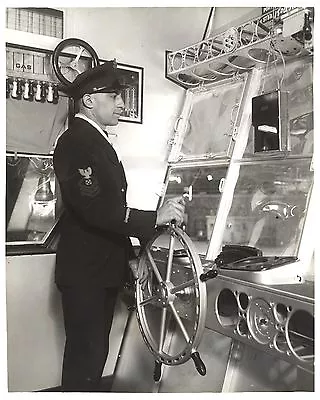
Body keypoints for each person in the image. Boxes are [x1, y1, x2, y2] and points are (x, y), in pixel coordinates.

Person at [53, 60, 185, 392]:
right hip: (86, 274)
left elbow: (110, 213)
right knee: (87, 357)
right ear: (89, 101)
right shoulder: (76, 142)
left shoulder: (96, 141)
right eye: (114, 96)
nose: (122, 104)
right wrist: (155, 218)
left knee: (94, 355)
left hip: (99, 269)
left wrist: (130, 256)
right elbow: (98, 210)